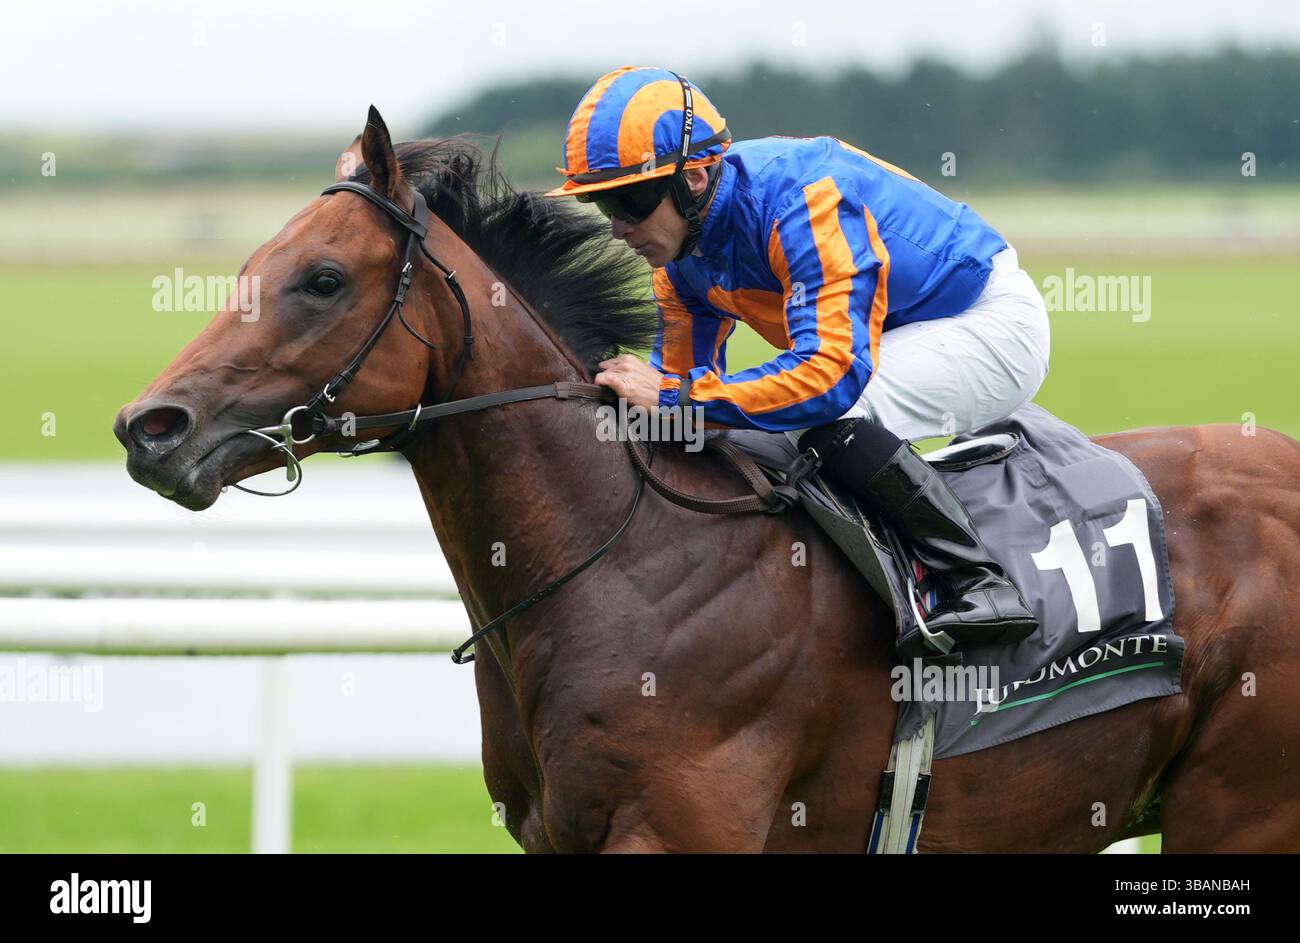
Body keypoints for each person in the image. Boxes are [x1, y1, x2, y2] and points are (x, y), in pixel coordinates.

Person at [544, 66, 1051, 649]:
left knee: (824, 418)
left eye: (630, 200)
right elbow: (682, 406)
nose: (618, 228)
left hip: (985, 322)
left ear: (698, 176)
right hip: (897, 339)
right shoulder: (678, 259)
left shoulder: (805, 202)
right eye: (601, 204)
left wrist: (670, 397)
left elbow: (827, 378)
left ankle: (980, 583)